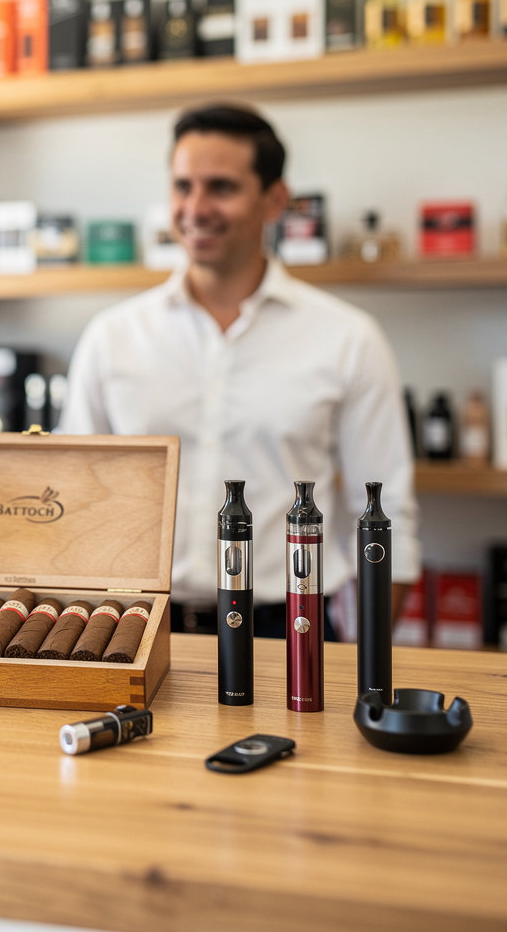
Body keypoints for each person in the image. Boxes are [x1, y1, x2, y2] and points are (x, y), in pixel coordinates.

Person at [59, 103, 420, 637]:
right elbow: (73, 500)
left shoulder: (348, 339)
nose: (195, 208)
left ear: (275, 199)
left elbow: (388, 516)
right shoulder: (112, 337)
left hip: (290, 630)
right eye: (183, 186)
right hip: (138, 628)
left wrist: (364, 662)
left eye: (221, 187)